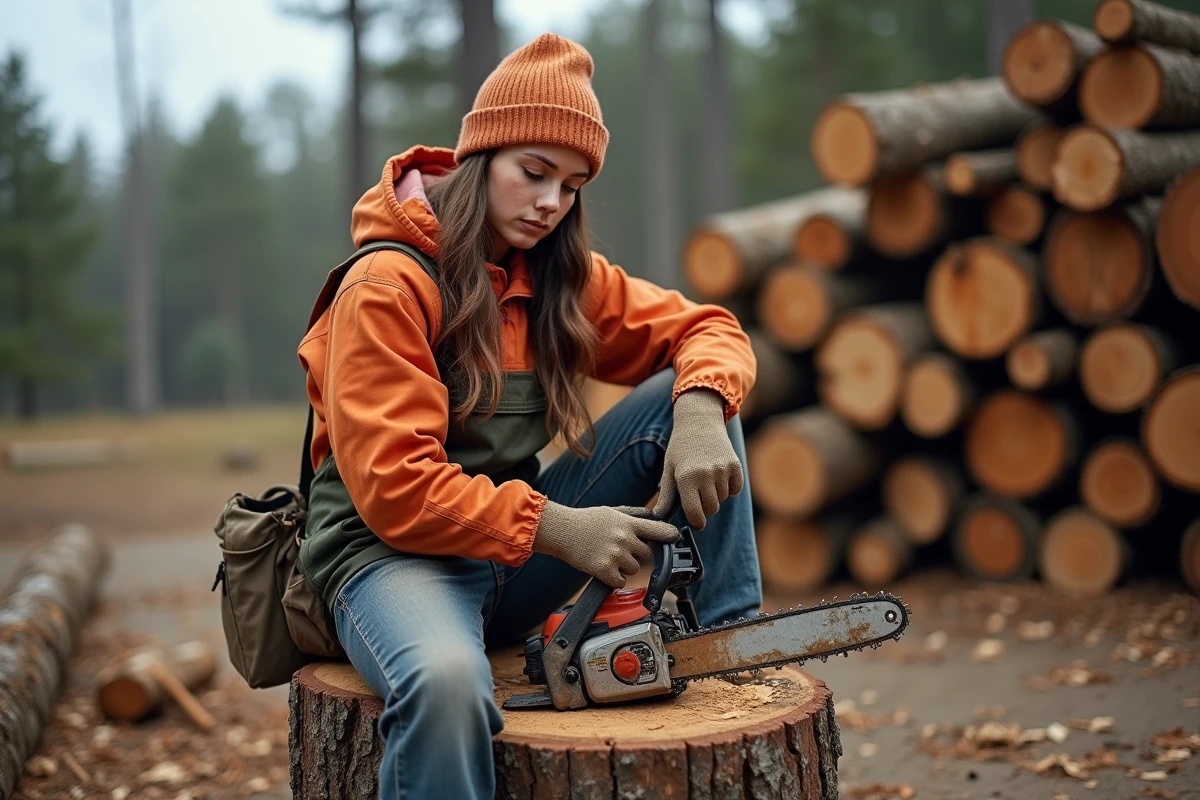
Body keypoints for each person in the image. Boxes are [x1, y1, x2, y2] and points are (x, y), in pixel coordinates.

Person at [296, 32, 762, 799]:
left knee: (689, 396)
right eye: (534, 172)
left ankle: (733, 650)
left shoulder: (555, 278)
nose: (551, 202)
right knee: (446, 685)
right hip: (390, 560)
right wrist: (560, 528)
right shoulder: (387, 286)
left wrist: (704, 410)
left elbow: (708, 328)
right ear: (481, 159)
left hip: (507, 558)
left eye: (572, 186)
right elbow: (396, 489)